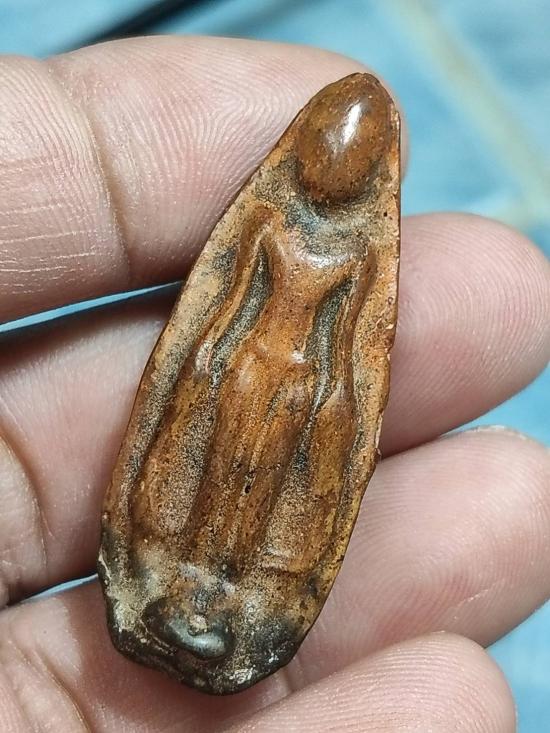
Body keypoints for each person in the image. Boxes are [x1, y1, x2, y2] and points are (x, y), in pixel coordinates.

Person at [0, 36, 548, 731]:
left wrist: (339, 407)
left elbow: (354, 344)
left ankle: (225, 593)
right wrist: (202, 363)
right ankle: (177, 583)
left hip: (303, 388)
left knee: (258, 495)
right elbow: (223, 305)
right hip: (239, 367)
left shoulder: (359, 252)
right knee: (210, 473)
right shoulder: (268, 223)